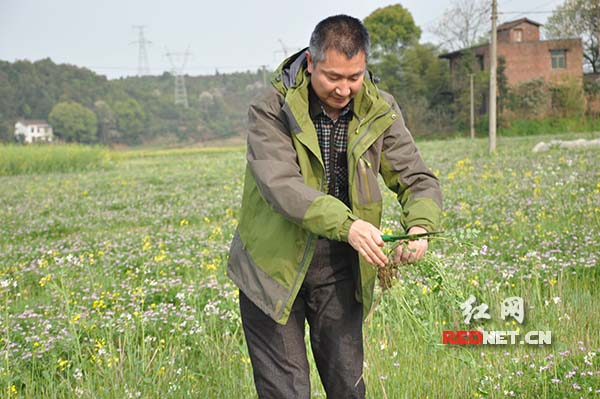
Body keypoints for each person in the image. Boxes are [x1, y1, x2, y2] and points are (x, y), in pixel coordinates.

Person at [227, 14, 442, 399]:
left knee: (347, 384)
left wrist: (420, 226)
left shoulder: (380, 108)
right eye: (333, 77)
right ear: (311, 64)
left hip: (342, 265)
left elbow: (416, 177)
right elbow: (282, 187)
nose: (345, 89)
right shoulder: (270, 109)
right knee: (286, 391)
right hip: (272, 267)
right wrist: (350, 225)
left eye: (354, 77)